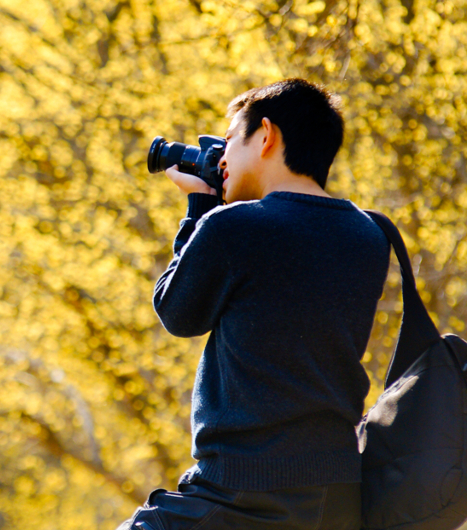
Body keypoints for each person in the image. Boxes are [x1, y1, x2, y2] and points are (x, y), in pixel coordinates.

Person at [119, 78, 390, 530]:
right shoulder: (371, 235)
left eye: (228, 141)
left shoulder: (235, 227)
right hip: (339, 496)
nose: (221, 159)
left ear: (266, 135)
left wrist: (198, 210)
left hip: (241, 491)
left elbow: (178, 313)